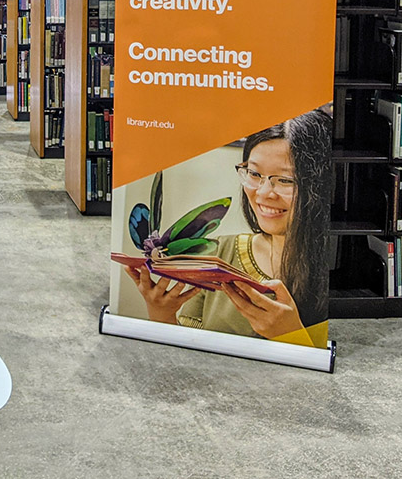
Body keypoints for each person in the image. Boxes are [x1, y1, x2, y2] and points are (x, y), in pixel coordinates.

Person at [123, 109, 332, 346]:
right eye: (254, 173)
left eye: (285, 180)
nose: (263, 193)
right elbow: (191, 354)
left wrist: (293, 336)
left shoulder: (333, 268)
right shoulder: (217, 254)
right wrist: (161, 314)